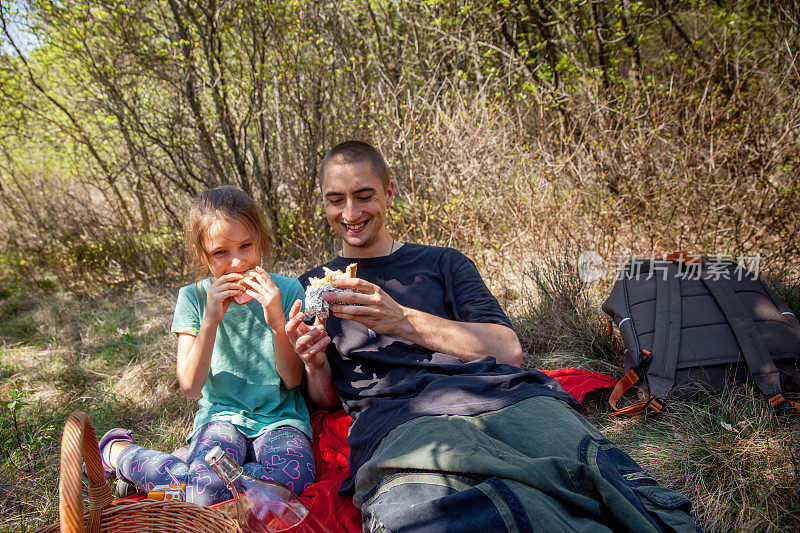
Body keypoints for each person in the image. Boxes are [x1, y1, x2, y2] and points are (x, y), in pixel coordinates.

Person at [286, 141, 699, 532]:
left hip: (504, 397)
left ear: (389, 193)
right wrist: (315, 363)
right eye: (335, 199)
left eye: (364, 195)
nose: (350, 212)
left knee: (616, 489)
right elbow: (325, 401)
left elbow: (508, 351)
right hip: (401, 421)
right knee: (451, 515)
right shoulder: (312, 288)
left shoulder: (443, 262)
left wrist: (401, 319)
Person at [97, 186, 315, 506]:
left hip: (281, 420)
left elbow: (293, 380)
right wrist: (210, 320)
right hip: (221, 418)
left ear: (261, 242)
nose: (237, 263)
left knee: (294, 479)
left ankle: (169, 468)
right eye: (220, 253)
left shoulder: (287, 289)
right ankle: (121, 453)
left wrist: (276, 321)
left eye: (246, 246)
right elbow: (189, 386)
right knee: (204, 492)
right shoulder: (194, 298)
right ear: (203, 256)